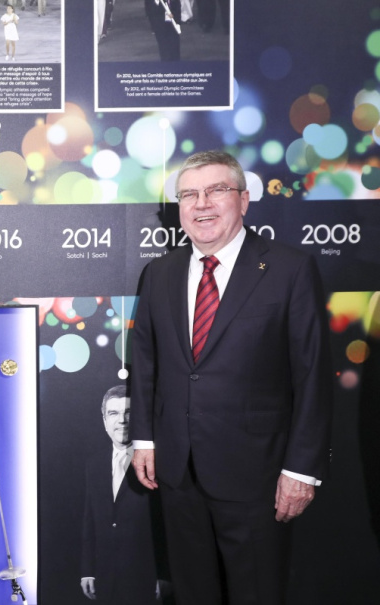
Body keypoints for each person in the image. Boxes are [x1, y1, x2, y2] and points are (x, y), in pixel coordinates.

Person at [130, 150, 333, 605]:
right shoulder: (159, 273)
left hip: (258, 475)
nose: (202, 204)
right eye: (189, 194)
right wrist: (144, 439)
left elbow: (312, 374)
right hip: (179, 473)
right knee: (193, 592)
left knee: (257, 592)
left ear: (244, 200)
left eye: (216, 190)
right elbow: (145, 360)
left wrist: (301, 470)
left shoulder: (289, 269)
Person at [81, 385, 170, 604]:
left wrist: (165, 574)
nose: (121, 420)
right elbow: (90, 520)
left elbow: (168, 523)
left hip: (146, 578)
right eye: (113, 413)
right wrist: (87, 570)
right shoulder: (93, 464)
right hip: (105, 578)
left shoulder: (160, 461)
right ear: (104, 420)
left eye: (129, 413)